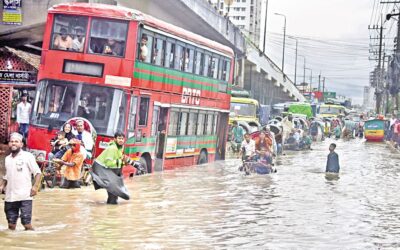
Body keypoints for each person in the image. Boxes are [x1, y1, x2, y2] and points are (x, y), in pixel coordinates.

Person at [0, 133, 41, 230]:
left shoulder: (28, 156)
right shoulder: (7, 159)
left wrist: (35, 187)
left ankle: (31, 240)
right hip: (10, 196)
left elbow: (38, 173)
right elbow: (7, 176)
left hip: (25, 196)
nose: (13, 143)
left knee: (26, 224)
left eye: (16, 142)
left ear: (21, 144)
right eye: (12, 141)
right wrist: (2, 186)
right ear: (9, 144)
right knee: (11, 225)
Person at [91, 132, 138, 204]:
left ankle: (111, 211)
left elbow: (122, 158)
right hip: (101, 169)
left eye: (122, 139)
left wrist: (134, 164)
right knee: (113, 195)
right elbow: (109, 163)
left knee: (114, 195)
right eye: (119, 138)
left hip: (108, 171)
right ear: (115, 139)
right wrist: (122, 162)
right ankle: (111, 212)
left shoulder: (119, 148)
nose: (121, 140)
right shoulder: (112, 148)